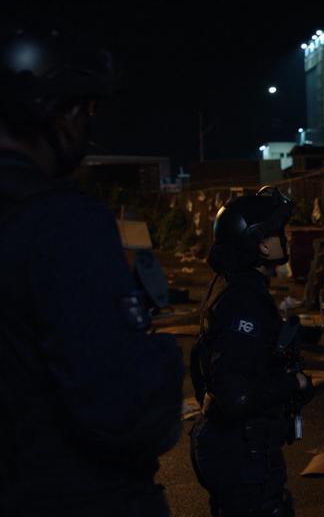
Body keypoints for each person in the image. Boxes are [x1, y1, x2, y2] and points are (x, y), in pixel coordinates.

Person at [0, 29, 184, 516]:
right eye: (86, 108)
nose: (88, 124)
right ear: (54, 109)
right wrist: (161, 355)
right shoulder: (59, 223)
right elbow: (127, 411)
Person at [190, 186, 315, 517]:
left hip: (238, 446)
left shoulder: (234, 287)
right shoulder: (244, 301)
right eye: (276, 232)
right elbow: (236, 396)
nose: (283, 238)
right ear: (259, 244)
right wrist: (294, 384)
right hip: (239, 450)